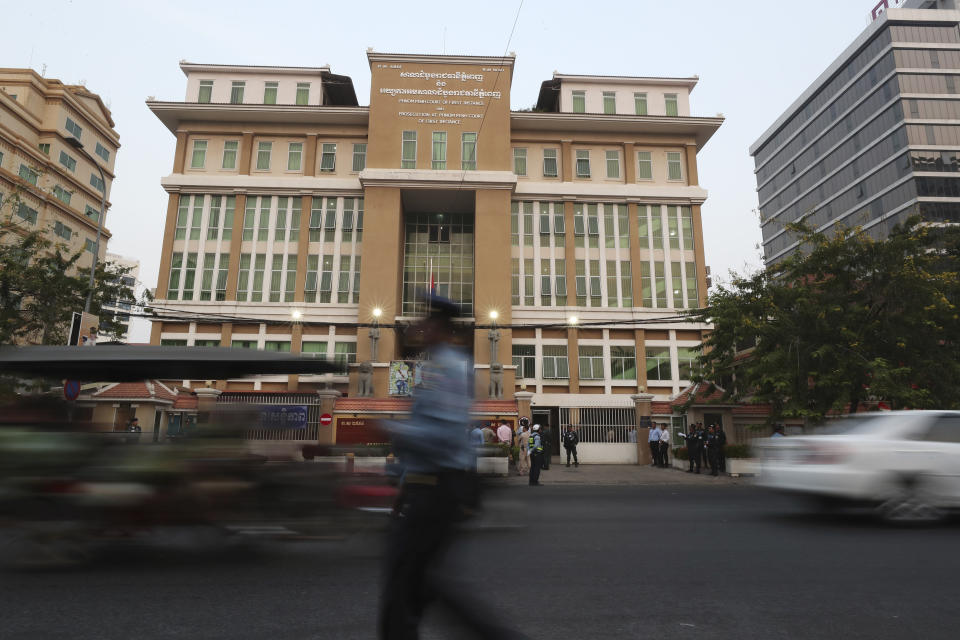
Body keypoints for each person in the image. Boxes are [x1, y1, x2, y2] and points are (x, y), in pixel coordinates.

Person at [379, 294, 526, 640]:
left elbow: (441, 435)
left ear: (440, 327)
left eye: (426, 320)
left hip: (439, 488)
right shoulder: (436, 367)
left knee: (410, 583)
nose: (419, 326)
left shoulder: (450, 368)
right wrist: (403, 483)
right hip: (427, 486)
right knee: (416, 583)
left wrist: (386, 427)